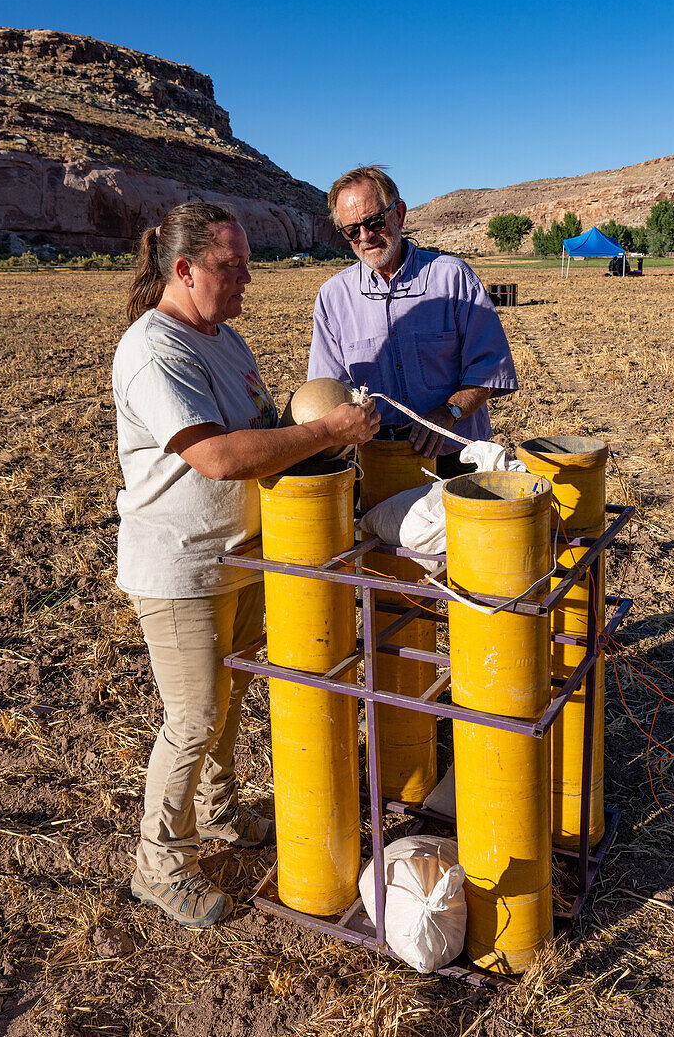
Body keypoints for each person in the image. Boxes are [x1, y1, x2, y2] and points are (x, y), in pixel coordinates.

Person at [112, 202, 379, 928]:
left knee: (226, 706)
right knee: (195, 717)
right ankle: (158, 865)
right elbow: (218, 456)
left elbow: (261, 433)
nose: (246, 281)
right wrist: (324, 427)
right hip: (179, 567)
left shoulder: (224, 340)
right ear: (183, 269)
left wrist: (323, 438)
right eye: (231, 268)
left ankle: (220, 815)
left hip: (236, 558)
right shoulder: (153, 348)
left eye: (246, 266)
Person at [307, 167, 518, 476]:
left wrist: (448, 412)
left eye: (373, 222)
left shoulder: (454, 279)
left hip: (457, 460)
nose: (365, 236)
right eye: (352, 230)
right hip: (375, 464)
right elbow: (327, 391)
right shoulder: (333, 297)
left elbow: (489, 368)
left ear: (400, 213)